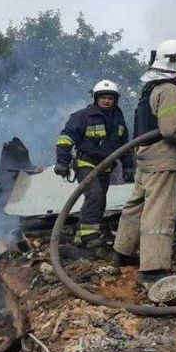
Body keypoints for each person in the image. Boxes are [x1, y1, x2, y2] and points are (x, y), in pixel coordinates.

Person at [112, 39, 176, 285]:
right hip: (162, 159)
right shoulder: (170, 89)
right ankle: (153, 268)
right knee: (159, 211)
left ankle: (123, 252)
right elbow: (171, 130)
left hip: (145, 155)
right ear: (175, 63)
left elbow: (161, 122)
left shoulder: (151, 87)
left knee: (136, 205)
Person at [54, 80, 134, 247]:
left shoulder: (119, 121)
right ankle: (89, 236)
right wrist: (62, 161)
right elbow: (65, 138)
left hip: (106, 167)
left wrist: (128, 166)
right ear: (96, 98)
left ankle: (80, 234)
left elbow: (125, 146)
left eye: (110, 98)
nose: (106, 101)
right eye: (103, 98)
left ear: (115, 100)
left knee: (98, 199)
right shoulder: (82, 116)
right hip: (86, 163)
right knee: (95, 194)